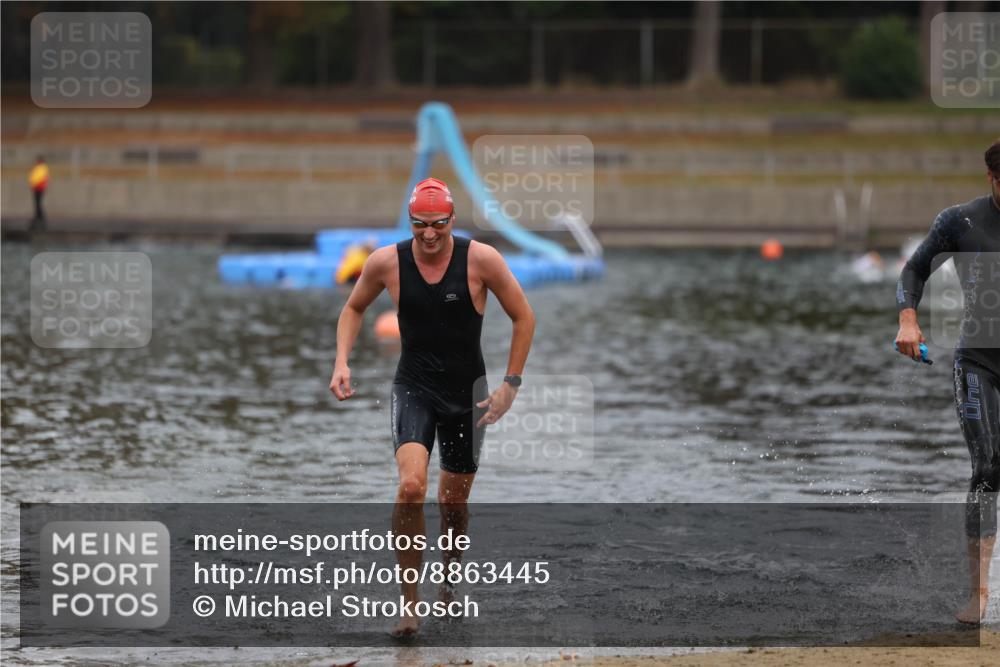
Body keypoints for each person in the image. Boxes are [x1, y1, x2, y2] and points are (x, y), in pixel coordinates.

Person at [329, 177, 536, 636]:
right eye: (419, 224)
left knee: (453, 504)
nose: (428, 233)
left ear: (452, 219)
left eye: (438, 224)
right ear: (410, 221)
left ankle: (448, 584)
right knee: (410, 487)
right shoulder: (387, 262)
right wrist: (342, 361)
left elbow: (524, 316)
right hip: (414, 389)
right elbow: (353, 308)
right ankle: (410, 605)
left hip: (467, 395)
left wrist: (511, 384)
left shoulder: (481, 259)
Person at [895, 139, 1000, 624]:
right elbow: (914, 269)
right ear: (992, 178)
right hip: (978, 361)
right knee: (988, 465)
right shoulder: (961, 221)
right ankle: (978, 595)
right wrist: (908, 320)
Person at [28, 155, 49, 231]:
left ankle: (40, 216)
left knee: (38, 202)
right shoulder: (38, 168)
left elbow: (39, 178)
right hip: (36, 187)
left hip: (39, 188)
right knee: (37, 202)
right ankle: (38, 215)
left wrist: (34, 184)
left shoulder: (42, 168)